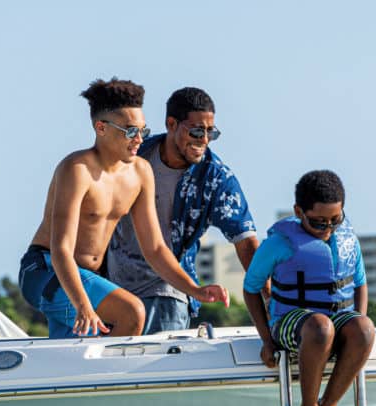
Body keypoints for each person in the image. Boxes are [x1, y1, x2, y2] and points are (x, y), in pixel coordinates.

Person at [18, 78, 227, 339]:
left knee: (72, 362)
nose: (139, 139)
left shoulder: (140, 173)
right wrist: (84, 306)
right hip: (46, 270)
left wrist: (195, 290)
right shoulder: (77, 170)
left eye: (143, 131)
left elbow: (155, 249)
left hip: (87, 277)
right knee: (131, 313)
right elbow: (61, 249)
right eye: (130, 131)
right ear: (101, 128)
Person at [243, 170, 375, 406]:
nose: (328, 228)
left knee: (364, 329)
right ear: (298, 212)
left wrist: (357, 324)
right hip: (291, 322)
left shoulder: (348, 240)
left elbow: (360, 284)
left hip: (335, 320)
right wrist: (267, 341)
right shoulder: (279, 244)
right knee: (320, 326)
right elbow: (251, 288)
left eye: (335, 220)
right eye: (318, 222)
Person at [107, 87, 258, 333]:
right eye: (197, 131)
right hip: (113, 290)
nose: (204, 140)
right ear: (171, 124)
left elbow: (246, 242)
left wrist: (273, 300)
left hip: (169, 294)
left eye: (211, 133)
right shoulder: (133, 157)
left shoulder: (216, 178)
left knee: (155, 371)